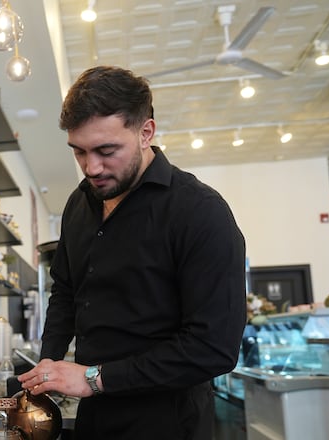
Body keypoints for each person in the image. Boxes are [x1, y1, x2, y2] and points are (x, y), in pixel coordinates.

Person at [17, 66, 247, 439]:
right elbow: (65, 290)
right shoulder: (80, 203)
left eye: (107, 151)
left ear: (146, 132)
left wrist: (94, 378)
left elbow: (213, 348)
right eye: (79, 152)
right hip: (94, 415)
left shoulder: (200, 212)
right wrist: (51, 359)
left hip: (168, 422)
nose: (91, 167)